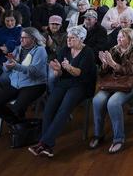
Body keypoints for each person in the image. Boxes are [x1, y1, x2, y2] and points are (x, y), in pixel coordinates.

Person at [29, 25, 96, 158]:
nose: (69, 40)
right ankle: (47, 145)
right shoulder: (65, 50)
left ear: (81, 39)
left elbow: (78, 73)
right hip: (65, 82)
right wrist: (57, 69)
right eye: (68, 37)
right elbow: (59, 73)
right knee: (49, 108)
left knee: (64, 109)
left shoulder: (88, 52)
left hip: (81, 85)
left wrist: (68, 67)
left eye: (72, 38)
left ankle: (44, 143)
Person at [90, 28, 133, 154]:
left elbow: (131, 72)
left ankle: (119, 139)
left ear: (130, 39)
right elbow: (103, 73)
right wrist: (104, 64)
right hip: (113, 83)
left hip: (129, 84)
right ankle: (99, 134)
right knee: (97, 100)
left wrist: (113, 64)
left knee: (113, 103)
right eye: (118, 36)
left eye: (122, 37)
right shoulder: (114, 49)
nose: (119, 39)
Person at [0, 27, 48, 125]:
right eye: (21, 37)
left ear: (33, 39)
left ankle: (19, 126)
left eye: (24, 37)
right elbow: (5, 69)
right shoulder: (18, 49)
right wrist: (8, 65)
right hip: (17, 83)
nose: (21, 39)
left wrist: (16, 66)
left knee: (17, 109)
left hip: (35, 85)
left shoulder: (40, 51)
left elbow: (33, 71)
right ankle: (18, 124)